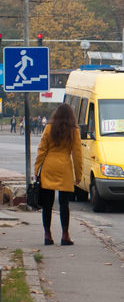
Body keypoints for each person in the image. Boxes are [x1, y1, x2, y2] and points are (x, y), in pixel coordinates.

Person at [33, 104, 82, 246]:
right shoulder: (74, 130)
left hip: (49, 166)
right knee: (64, 204)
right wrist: (78, 175)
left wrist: (37, 170)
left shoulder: (49, 127)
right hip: (65, 168)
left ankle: (47, 235)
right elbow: (77, 154)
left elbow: (42, 149)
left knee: (47, 204)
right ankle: (65, 235)